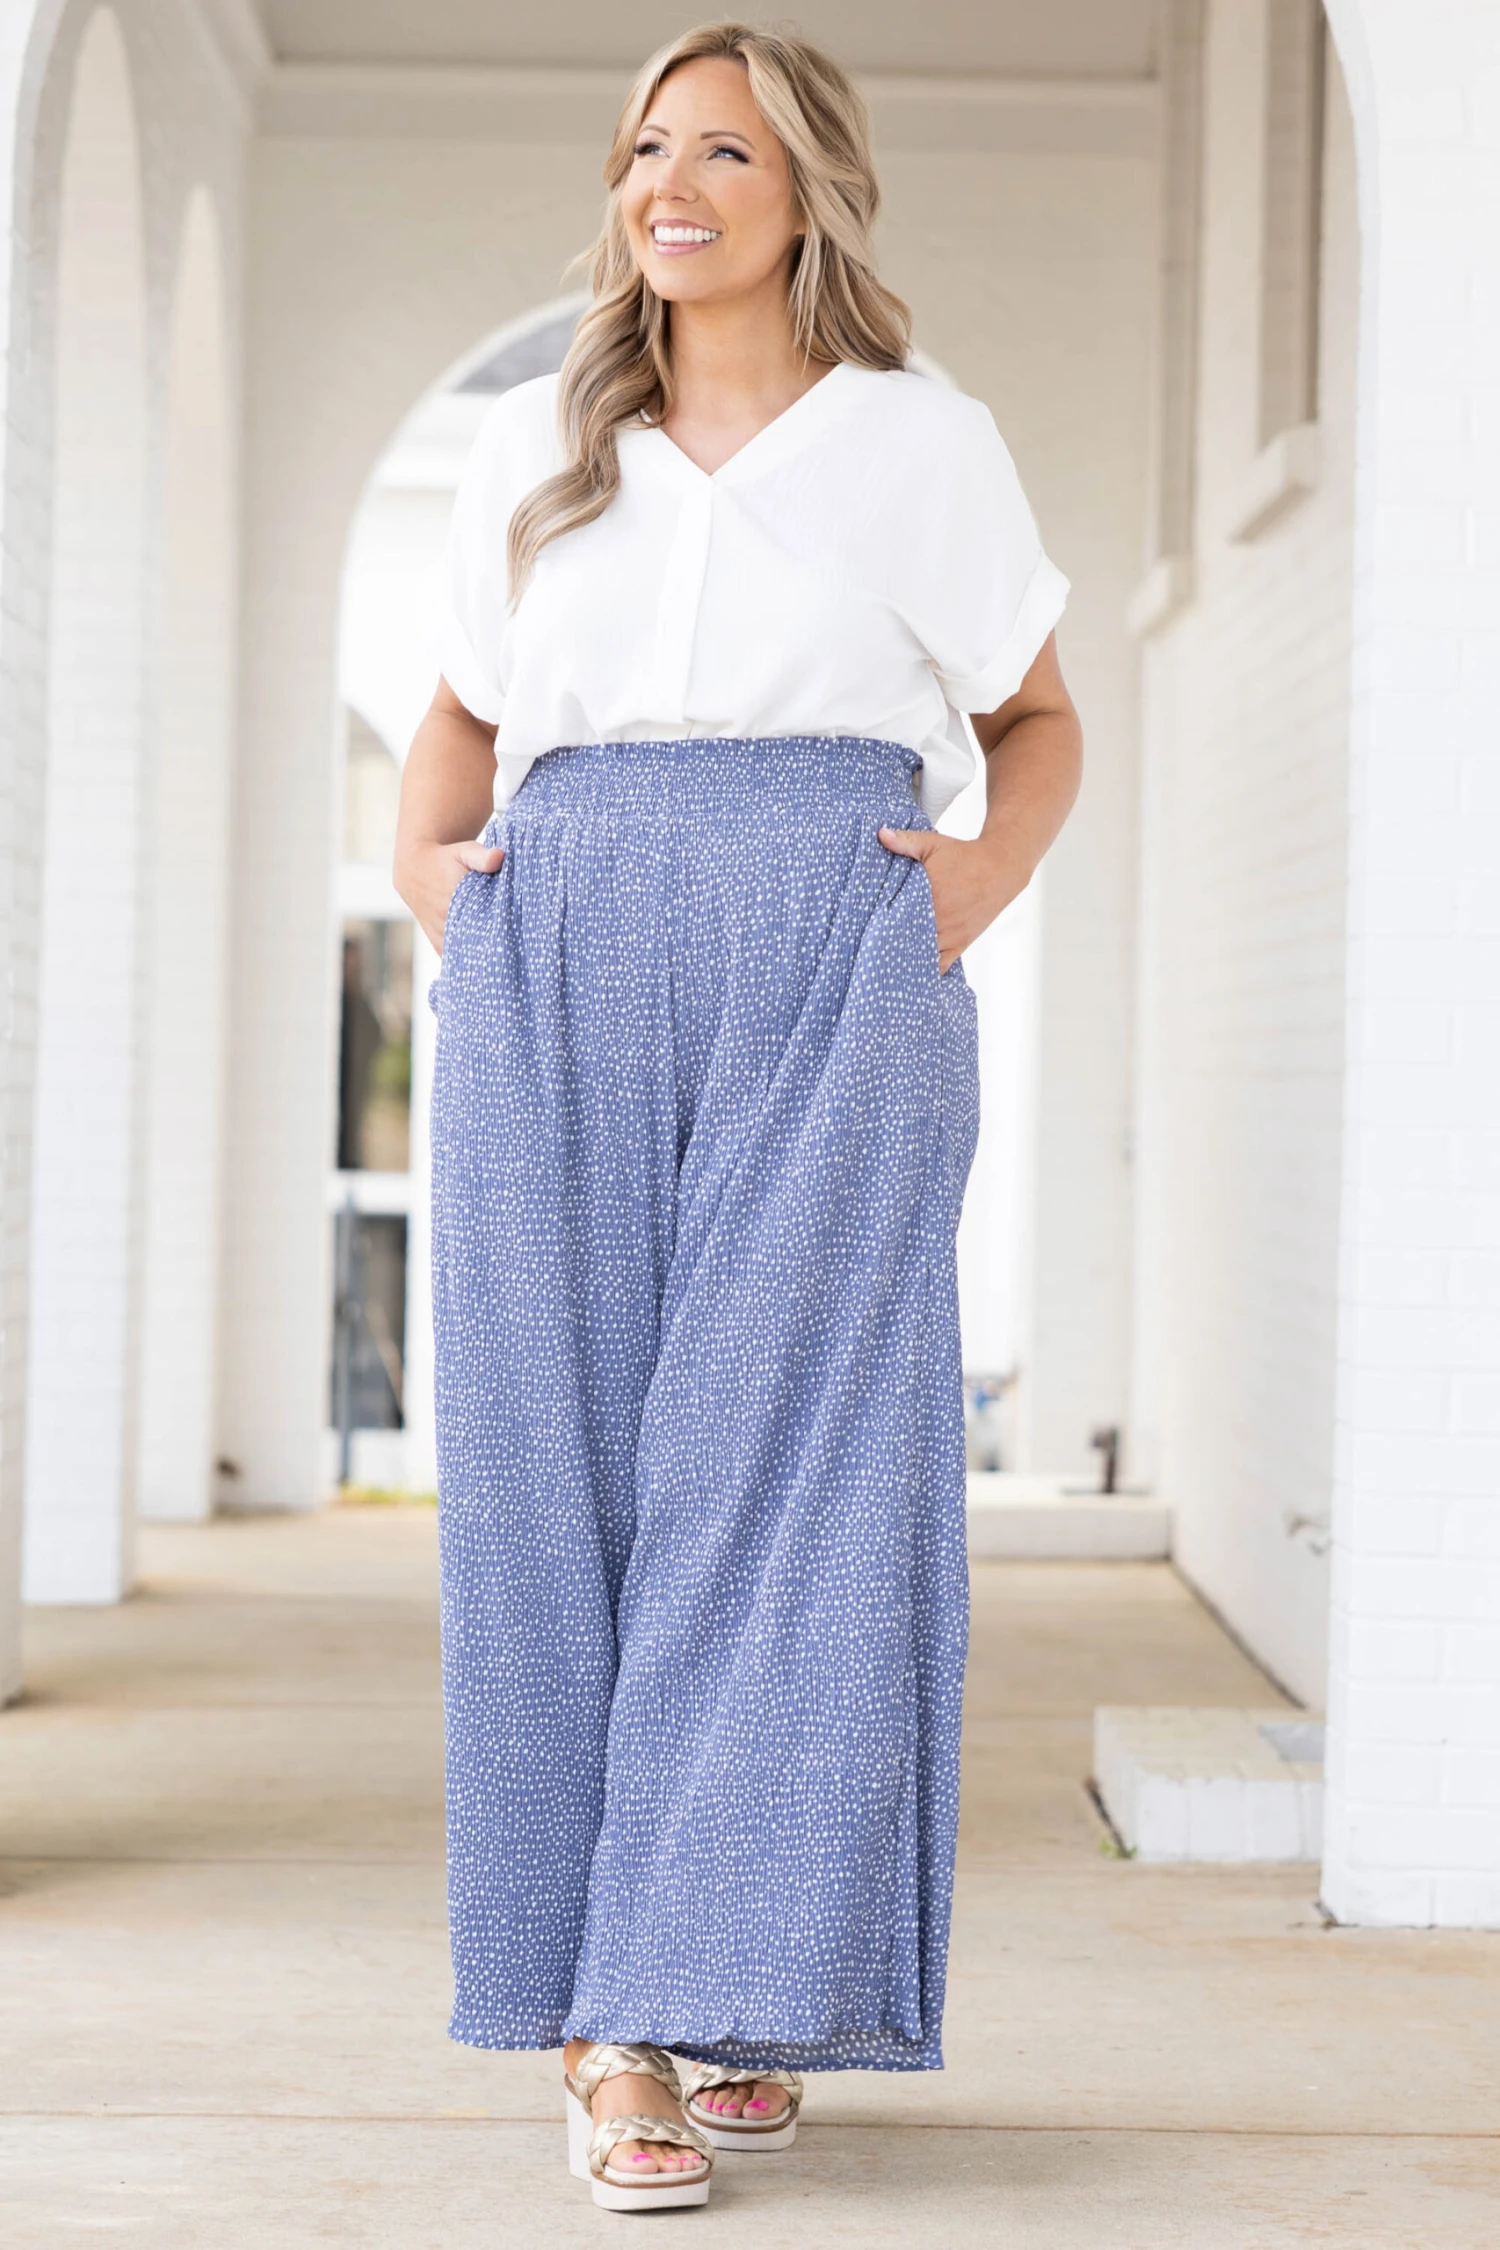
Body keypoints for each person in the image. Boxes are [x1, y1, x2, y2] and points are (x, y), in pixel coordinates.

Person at [394, 18, 1081, 2216]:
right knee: (556, 1479)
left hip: (833, 962)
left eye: (725, 151)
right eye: (646, 147)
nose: (670, 185)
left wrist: (964, 891)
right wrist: (454, 902)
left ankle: (715, 1982)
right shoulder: (538, 441)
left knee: (795, 1485)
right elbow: (450, 734)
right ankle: (605, 2025)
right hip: (561, 961)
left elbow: (1037, 719)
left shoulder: (923, 442)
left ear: (809, 195)